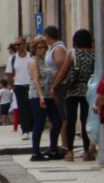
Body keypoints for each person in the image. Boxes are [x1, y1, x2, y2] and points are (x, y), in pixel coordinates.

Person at [55, 29, 96, 161]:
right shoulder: (94, 55)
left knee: (71, 121)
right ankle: (86, 152)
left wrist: (54, 86)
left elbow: (63, 72)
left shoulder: (72, 53)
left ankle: (70, 152)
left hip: (72, 90)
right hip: (88, 91)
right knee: (85, 121)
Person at [28, 35, 63, 161]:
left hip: (49, 95)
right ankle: (35, 152)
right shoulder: (33, 61)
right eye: (39, 47)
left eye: (44, 47)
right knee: (40, 122)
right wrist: (41, 96)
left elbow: (50, 77)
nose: (42, 49)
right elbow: (36, 79)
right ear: (34, 48)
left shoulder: (44, 61)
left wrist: (53, 93)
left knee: (57, 121)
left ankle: (53, 149)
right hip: (38, 95)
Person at [43, 25, 69, 153]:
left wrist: (54, 86)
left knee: (62, 116)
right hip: (53, 86)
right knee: (56, 117)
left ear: (48, 36)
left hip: (60, 86)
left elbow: (61, 70)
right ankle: (55, 145)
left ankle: (65, 145)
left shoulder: (58, 49)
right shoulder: (53, 49)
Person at [6, 37, 33, 139]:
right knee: (22, 108)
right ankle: (25, 130)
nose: (17, 46)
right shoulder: (12, 59)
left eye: (19, 44)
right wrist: (13, 86)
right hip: (19, 86)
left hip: (30, 85)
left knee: (31, 108)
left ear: (24, 45)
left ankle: (31, 129)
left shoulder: (31, 57)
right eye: (15, 45)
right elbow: (9, 74)